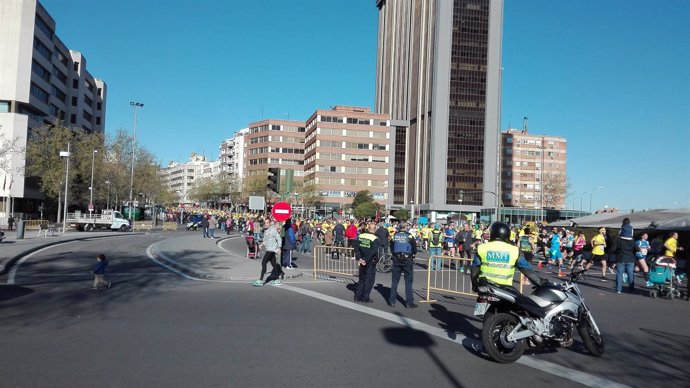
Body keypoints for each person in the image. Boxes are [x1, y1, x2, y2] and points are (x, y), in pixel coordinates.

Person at [470, 222, 542, 290]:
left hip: (485, 287)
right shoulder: (514, 250)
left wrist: (475, 285)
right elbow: (526, 269)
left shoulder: (482, 248)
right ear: (507, 235)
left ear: (492, 234)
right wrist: (540, 282)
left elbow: (474, 269)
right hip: (505, 289)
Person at [389, 224, 418, 308]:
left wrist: (395, 253)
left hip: (396, 259)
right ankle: (409, 302)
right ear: (406, 227)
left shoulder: (394, 235)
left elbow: (391, 247)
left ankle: (392, 301)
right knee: (408, 282)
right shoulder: (409, 236)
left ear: (399, 227)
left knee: (394, 281)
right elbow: (415, 250)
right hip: (407, 259)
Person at [354, 222, 380, 303]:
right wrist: (365, 260)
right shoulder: (375, 238)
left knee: (361, 279)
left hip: (361, 260)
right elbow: (373, 252)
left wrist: (360, 259)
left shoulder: (360, 236)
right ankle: (365, 297)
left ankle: (357, 297)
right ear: (374, 229)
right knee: (369, 280)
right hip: (369, 261)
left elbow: (356, 249)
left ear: (368, 228)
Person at [254, 218, 283, 286]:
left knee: (264, 262)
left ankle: (261, 280)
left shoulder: (272, 230)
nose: (266, 224)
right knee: (274, 265)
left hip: (271, 249)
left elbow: (279, 238)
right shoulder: (266, 230)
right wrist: (262, 245)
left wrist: (279, 248)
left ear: (270, 223)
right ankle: (277, 279)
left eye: (267, 223)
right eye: (265, 223)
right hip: (269, 249)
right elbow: (266, 240)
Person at [612, 228, 636, 294]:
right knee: (630, 274)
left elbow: (613, 249)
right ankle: (631, 289)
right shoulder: (632, 240)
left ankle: (618, 289)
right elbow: (637, 249)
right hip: (630, 259)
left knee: (619, 274)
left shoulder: (618, 240)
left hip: (620, 259)